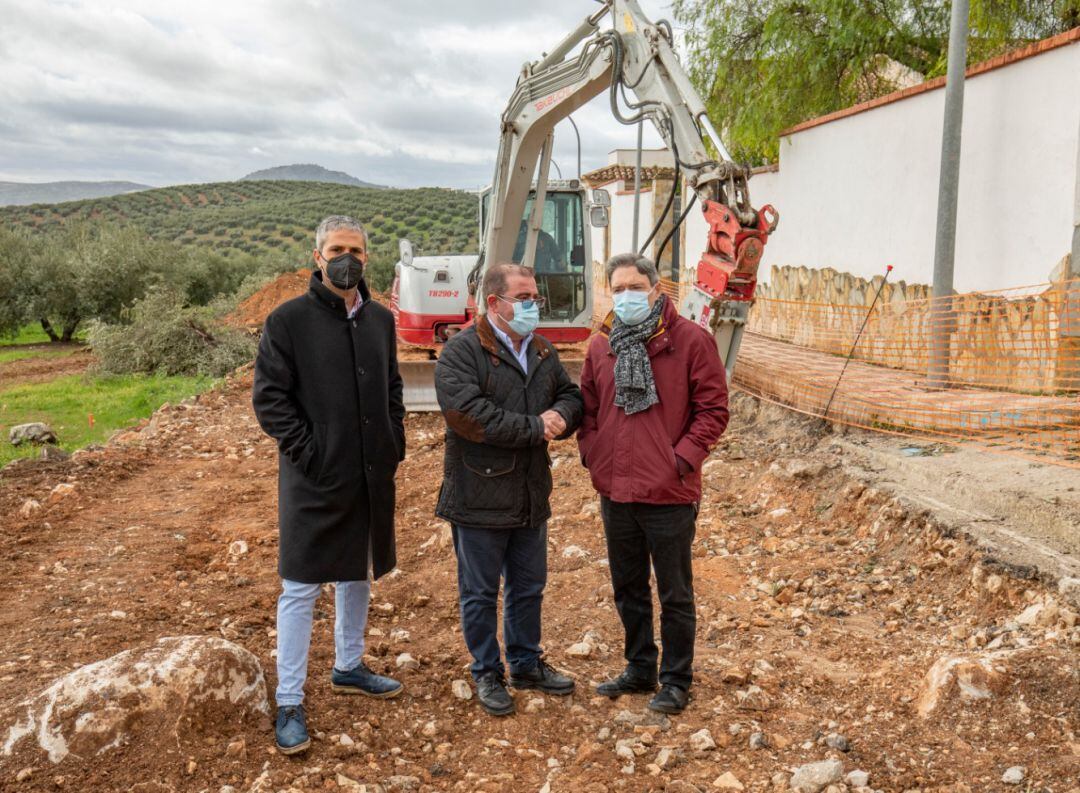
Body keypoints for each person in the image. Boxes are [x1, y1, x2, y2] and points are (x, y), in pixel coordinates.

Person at [252, 215, 406, 754]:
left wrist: (394, 442)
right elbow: (270, 400)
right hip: (314, 476)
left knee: (357, 570)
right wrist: (310, 454)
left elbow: (391, 387)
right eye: (337, 249)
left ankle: (349, 665)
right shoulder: (287, 320)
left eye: (357, 250)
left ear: (368, 258)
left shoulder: (380, 321)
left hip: (369, 471)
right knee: (301, 585)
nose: (348, 258)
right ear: (317, 256)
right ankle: (289, 698)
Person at [577, 253, 729, 714]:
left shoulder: (691, 341)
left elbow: (713, 411)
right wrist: (594, 457)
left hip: (669, 492)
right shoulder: (600, 346)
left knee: (674, 592)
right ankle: (640, 667)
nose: (626, 297)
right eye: (618, 288)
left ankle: (676, 679)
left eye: (635, 287)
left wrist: (680, 460)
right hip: (616, 490)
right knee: (628, 587)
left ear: (657, 290)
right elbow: (588, 409)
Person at [434, 263, 584, 716]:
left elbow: (571, 395)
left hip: (529, 493)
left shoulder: (539, 349)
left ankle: (524, 662)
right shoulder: (461, 352)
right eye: (523, 298)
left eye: (535, 297)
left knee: (528, 586)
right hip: (479, 494)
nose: (533, 305)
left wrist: (562, 416)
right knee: (479, 591)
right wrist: (537, 426)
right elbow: (470, 415)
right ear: (494, 303)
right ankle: (486, 670)